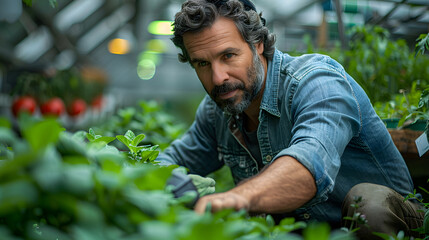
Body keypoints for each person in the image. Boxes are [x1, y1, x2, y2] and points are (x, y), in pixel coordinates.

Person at [158, 0, 424, 238]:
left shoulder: (317, 82)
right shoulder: (217, 110)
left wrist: (234, 198)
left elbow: (308, 167)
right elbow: (169, 163)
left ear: (257, 44)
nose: (218, 78)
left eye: (228, 56)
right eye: (202, 64)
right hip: (304, 231)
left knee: (369, 204)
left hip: (390, 219)